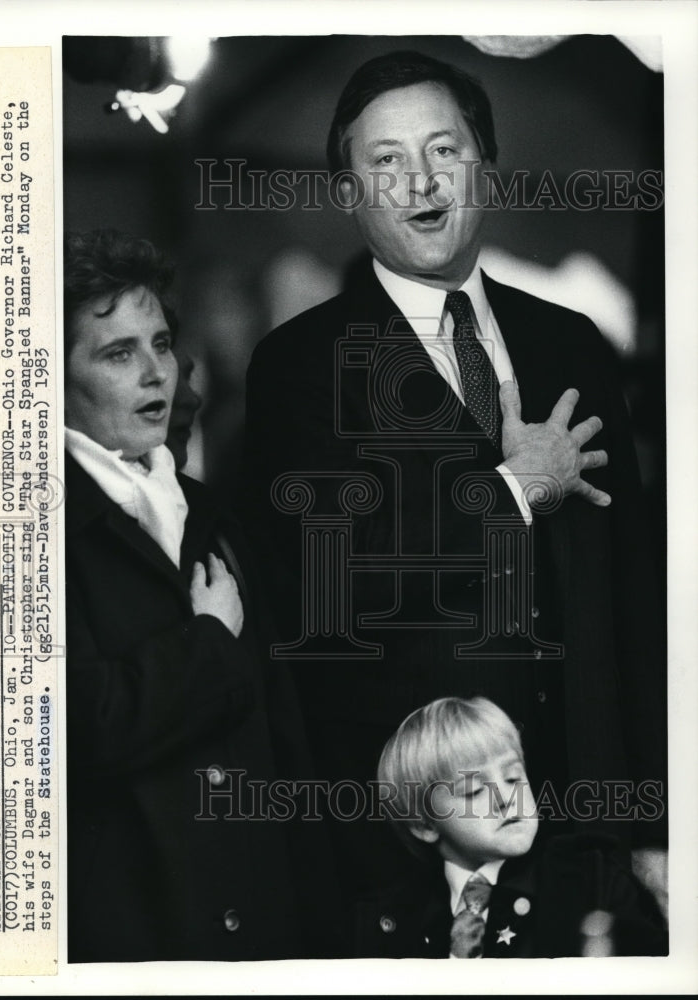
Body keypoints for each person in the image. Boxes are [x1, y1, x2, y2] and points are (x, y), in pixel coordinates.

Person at [244, 51, 666, 923]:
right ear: (349, 193)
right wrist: (512, 488)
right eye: (385, 161)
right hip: (427, 834)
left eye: (444, 150)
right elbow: (341, 585)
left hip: (591, 817)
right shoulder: (298, 366)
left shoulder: (571, 342)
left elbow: (636, 588)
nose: (420, 181)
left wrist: (653, 813)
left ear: (487, 165)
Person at [63, 229, 328, 962]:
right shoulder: (33, 526)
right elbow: (78, 731)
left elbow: (283, 740)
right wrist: (208, 644)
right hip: (130, 933)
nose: (158, 374)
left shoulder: (210, 515)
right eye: (118, 354)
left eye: (160, 344)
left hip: (260, 924)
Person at [355, 696, 666, 958]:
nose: (507, 798)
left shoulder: (591, 881)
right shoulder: (395, 917)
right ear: (424, 824)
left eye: (514, 777)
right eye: (474, 791)